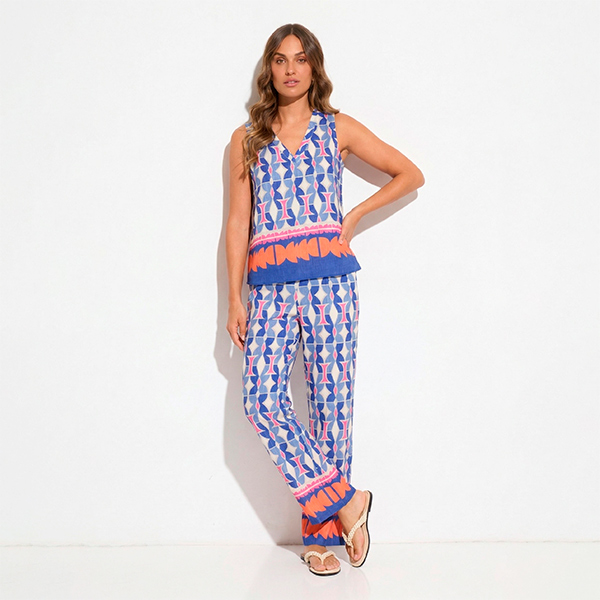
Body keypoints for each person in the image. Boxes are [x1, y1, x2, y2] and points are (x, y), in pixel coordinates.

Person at [226, 23, 424, 576]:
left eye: (301, 58)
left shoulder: (336, 128)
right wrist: (235, 298)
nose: (290, 69)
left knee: (330, 408)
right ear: (269, 69)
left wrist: (354, 216)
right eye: (280, 59)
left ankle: (322, 539)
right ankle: (347, 501)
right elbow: (237, 222)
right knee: (261, 401)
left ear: (314, 67)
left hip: (331, 286)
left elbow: (410, 174)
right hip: (268, 289)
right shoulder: (246, 139)